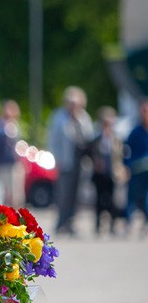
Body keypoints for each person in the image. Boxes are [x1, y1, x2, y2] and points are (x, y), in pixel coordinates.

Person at [48, 86, 93, 236]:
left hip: (81, 162)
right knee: (63, 193)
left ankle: (71, 222)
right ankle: (61, 222)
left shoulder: (84, 118)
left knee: (77, 194)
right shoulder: (59, 117)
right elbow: (53, 140)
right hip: (65, 162)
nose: (74, 106)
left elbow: (89, 138)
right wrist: (56, 160)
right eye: (71, 103)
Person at [87, 107, 121, 236]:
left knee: (113, 200)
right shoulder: (96, 138)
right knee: (99, 200)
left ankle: (113, 225)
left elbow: (121, 155)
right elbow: (89, 152)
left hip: (112, 172)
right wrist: (95, 162)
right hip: (99, 173)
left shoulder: (116, 138)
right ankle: (98, 225)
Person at [0, 100, 24, 208]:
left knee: (15, 192)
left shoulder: (15, 126)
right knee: (3, 192)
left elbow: (19, 146)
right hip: (2, 163)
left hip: (13, 163)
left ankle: (14, 215)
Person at [123, 99, 148, 235]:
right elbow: (126, 150)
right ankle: (129, 222)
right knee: (132, 197)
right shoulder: (136, 132)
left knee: (146, 198)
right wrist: (126, 166)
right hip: (137, 169)